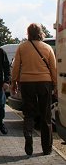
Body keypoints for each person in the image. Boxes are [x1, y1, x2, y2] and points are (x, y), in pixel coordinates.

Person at [11, 23, 56, 156]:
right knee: (45, 115)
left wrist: (14, 82)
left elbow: (16, 67)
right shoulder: (47, 47)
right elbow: (53, 68)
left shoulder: (22, 47)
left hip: (27, 83)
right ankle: (46, 148)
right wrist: (55, 84)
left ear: (28, 33)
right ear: (41, 33)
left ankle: (28, 134)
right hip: (44, 82)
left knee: (28, 113)